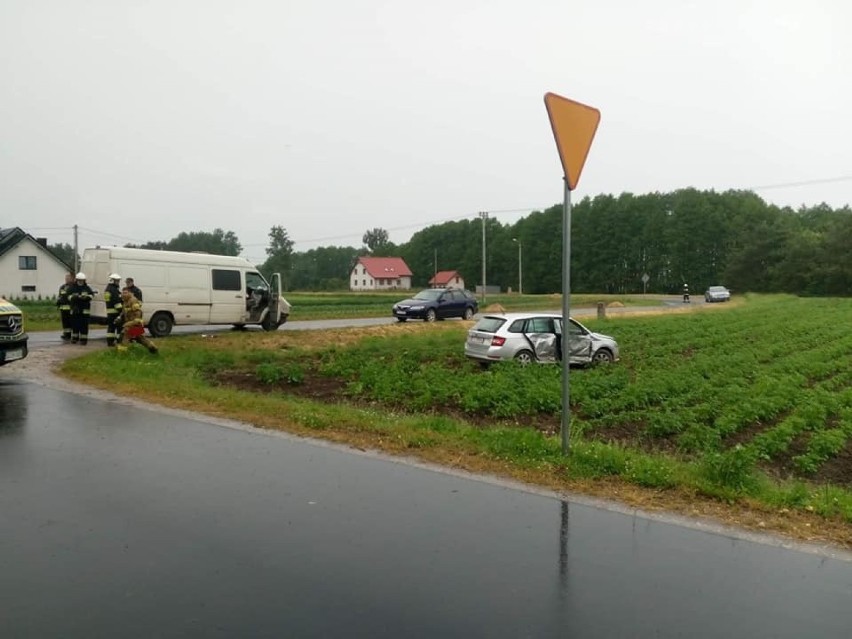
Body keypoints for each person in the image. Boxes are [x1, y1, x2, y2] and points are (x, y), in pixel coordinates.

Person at [116, 288, 158, 354]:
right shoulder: (125, 301)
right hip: (130, 323)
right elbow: (124, 311)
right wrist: (119, 317)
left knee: (124, 336)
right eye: (123, 293)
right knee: (140, 338)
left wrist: (133, 323)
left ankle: (122, 353)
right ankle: (152, 348)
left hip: (134, 323)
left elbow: (138, 312)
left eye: (125, 293)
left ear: (130, 293)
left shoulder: (133, 300)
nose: (123, 294)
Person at [68, 272, 94, 345]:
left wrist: (87, 297)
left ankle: (84, 339)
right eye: (79, 280)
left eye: (82, 280)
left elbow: (92, 295)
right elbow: (68, 297)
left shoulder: (87, 288)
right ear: (76, 280)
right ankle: (74, 338)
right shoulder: (72, 288)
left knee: (84, 326)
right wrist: (76, 297)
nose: (80, 281)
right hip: (75, 310)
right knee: (75, 325)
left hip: (85, 311)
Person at [104, 273, 123, 347]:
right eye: (117, 281)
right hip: (115, 312)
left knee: (111, 328)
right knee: (119, 328)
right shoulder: (113, 290)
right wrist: (121, 310)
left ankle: (110, 342)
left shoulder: (108, 289)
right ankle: (119, 341)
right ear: (112, 281)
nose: (118, 282)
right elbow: (116, 301)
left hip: (110, 312)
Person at [57, 272, 74, 341]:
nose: (66, 279)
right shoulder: (62, 287)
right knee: (65, 322)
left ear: (72, 278)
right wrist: (58, 303)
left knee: (72, 322)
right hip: (63, 308)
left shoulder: (74, 287)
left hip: (71, 308)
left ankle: (74, 335)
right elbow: (60, 296)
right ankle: (66, 334)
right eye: (66, 278)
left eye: (68, 278)